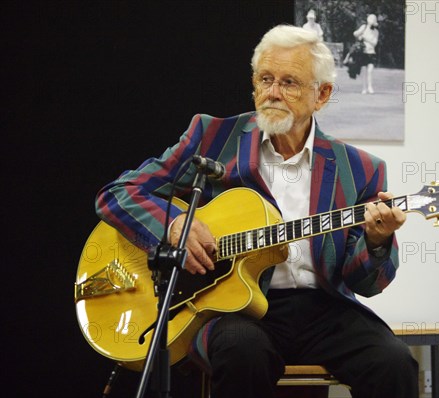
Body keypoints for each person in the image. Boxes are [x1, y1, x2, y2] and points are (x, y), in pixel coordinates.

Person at [95, 24, 418, 398]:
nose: (273, 93)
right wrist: (174, 223)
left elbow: (367, 283)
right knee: (240, 351)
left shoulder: (361, 168)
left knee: (395, 363)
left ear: (323, 94)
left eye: (289, 83)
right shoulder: (212, 138)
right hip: (235, 311)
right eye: (265, 79)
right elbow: (117, 194)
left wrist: (377, 241)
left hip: (326, 311)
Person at [353, 14, 379, 94]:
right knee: (364, 71)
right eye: (371, 22)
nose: (372, 24)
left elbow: (374, 43)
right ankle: (364, 88)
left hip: (371, 53)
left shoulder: (376, 31)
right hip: (363, 52)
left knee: (370, 70)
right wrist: (360, 34)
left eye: (373, 22)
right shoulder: (364, 27)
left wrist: (365, 38)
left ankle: (370, 87)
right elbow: (355, 34)